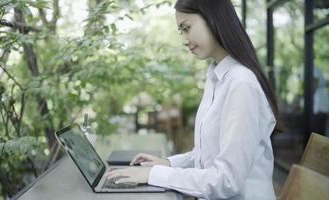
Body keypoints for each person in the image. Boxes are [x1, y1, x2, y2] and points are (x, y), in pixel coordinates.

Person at [106, 0, 280, 199]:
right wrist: (168, 163)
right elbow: (207, 155)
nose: (185, 39)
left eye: (187, 28)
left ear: (213, 18)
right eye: (182, 31)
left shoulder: (241, 84)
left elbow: (227, 180)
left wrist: (154, 174)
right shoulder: (216, 77)